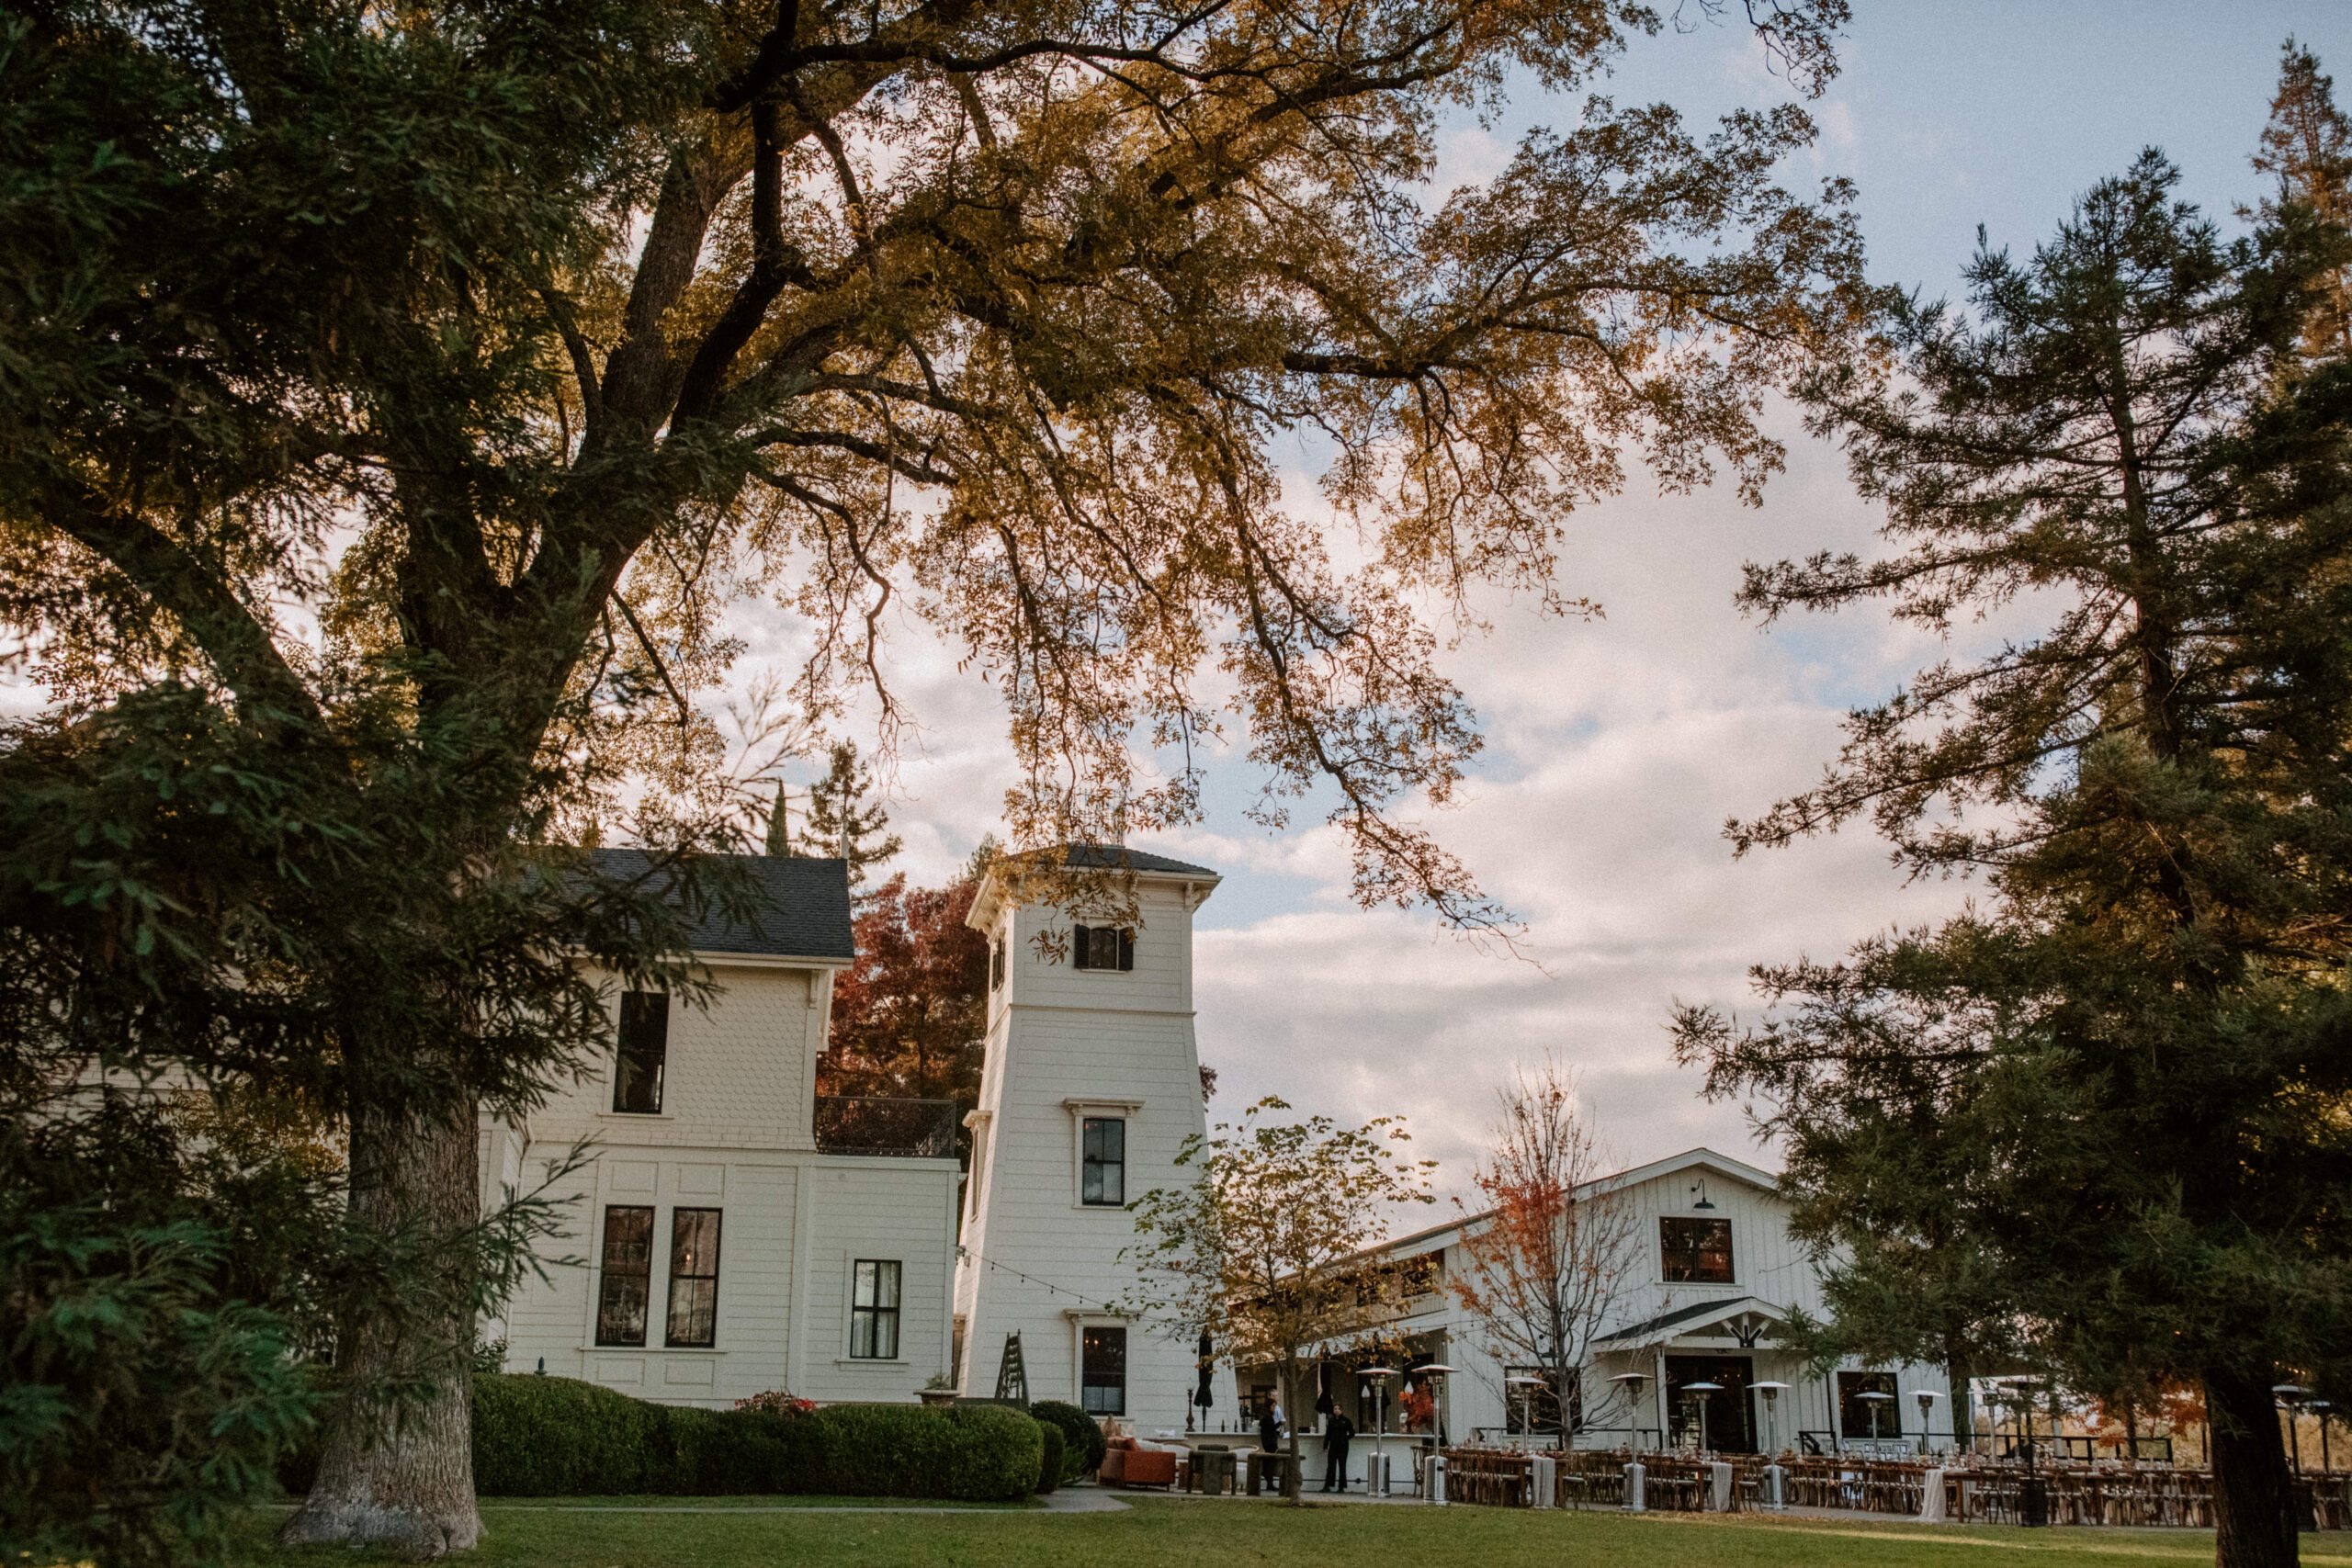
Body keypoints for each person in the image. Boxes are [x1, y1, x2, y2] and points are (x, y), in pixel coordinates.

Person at [1321, 1406, 1355, 1493]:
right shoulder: (1331, 1421)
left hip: (1343, 1446)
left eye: (1338, 1409)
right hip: (1333, 1445)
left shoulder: (1346, 1421)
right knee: (1330, 1466)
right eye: (1335, 1409)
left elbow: (1352, 1433)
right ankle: (1327, 1485)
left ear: (1341, 1410)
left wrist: (1345, 1438)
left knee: (1342, 1466)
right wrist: (1325, 1446)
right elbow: (1328, 1434)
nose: (1336, 1411)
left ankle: (1341, 1487)